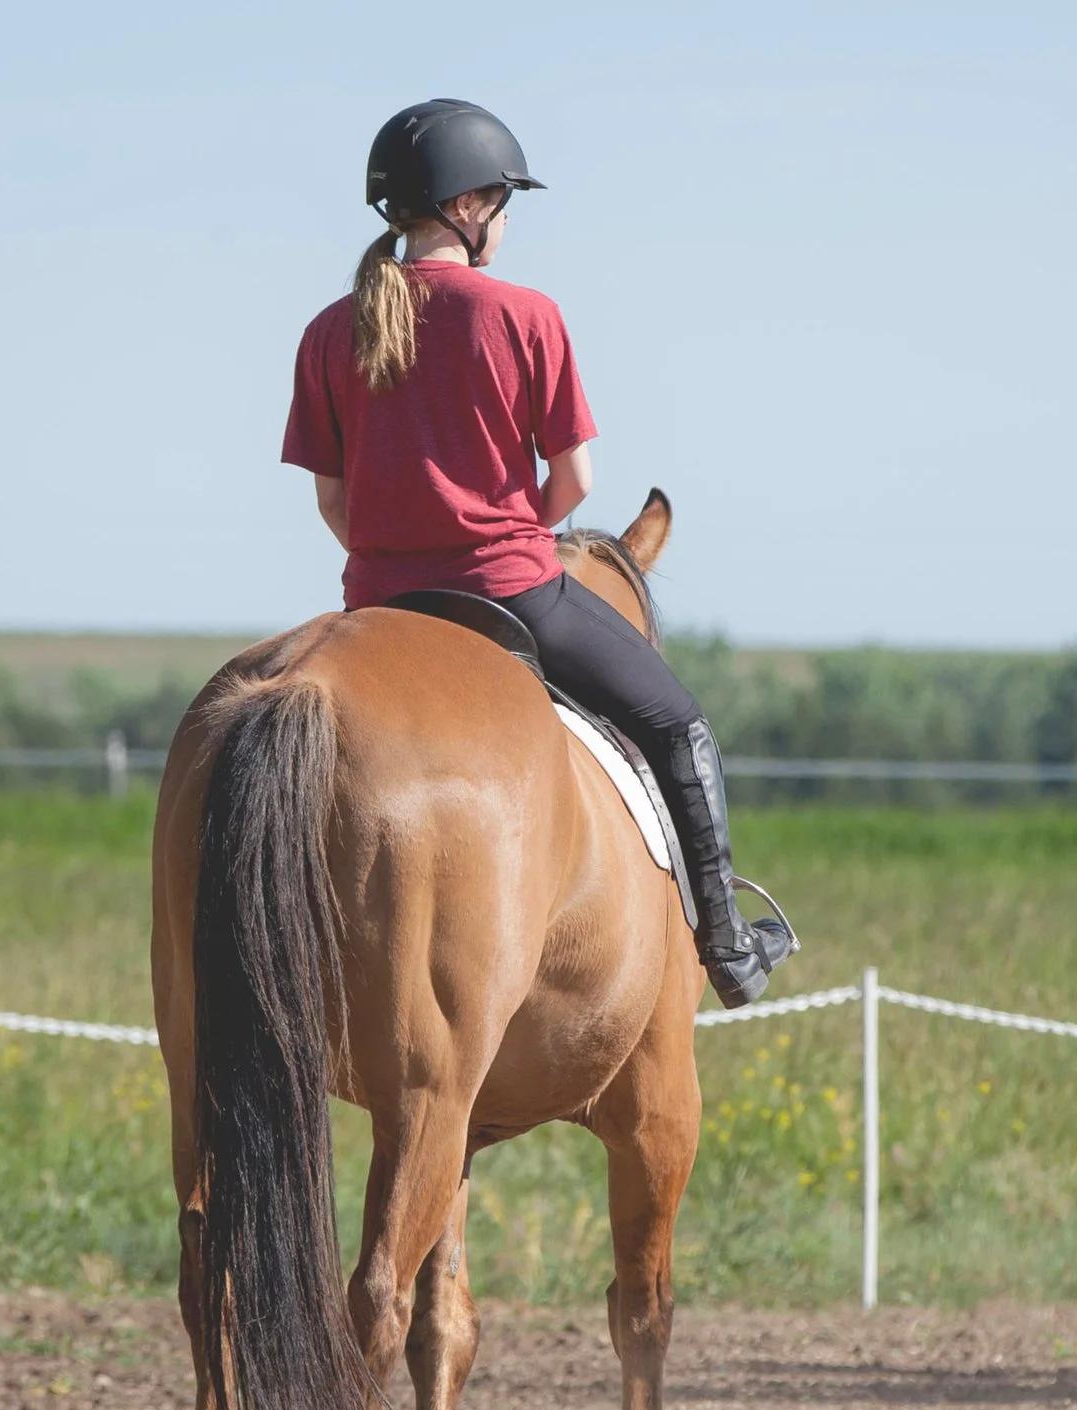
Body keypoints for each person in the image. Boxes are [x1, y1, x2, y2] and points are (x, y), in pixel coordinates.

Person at [281, 98, 796, 1009]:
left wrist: (393, 555)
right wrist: (511, 529)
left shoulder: (328, 331)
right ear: (467, 207)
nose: (506, 221)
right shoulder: (524, 315)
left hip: (378, 604)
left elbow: (332, 501)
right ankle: (728, 945)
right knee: (679, 723)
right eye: (504, 202)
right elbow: (576, 480)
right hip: (512, 587)